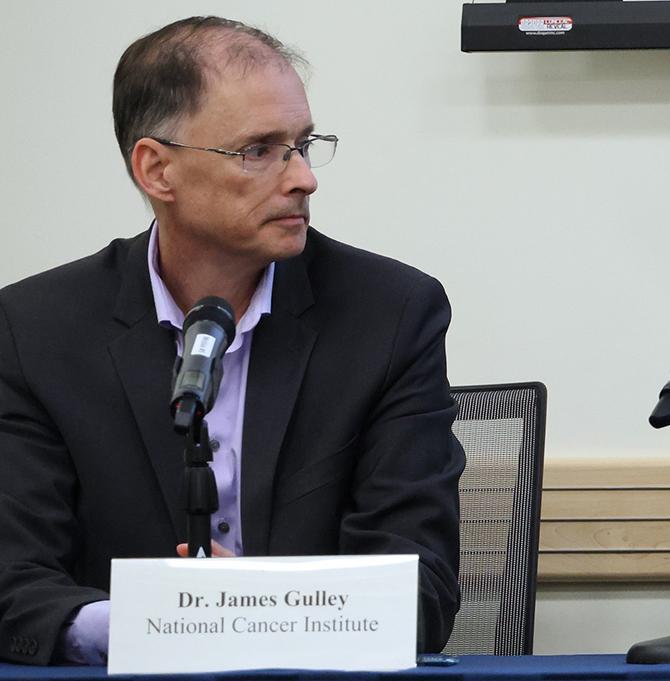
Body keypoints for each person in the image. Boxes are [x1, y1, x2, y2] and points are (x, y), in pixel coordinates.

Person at [0, 16, 464, 665]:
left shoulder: (390, 315)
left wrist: (239, 610)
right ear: (156, 169)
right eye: (259, 150)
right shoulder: (35, 330)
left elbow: (421, 587)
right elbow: (12, 583)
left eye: (303, 144)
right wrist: (146, 621)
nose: (304, 178)